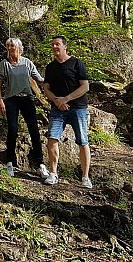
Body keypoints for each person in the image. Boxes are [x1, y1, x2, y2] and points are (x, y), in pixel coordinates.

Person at [42, 36, 92, 188]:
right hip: (57, 109)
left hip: (78, 108)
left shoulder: (77, 63)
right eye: (52, 45)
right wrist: (58, 101)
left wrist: (67, 99)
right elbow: (46, 90)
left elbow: (85, 87)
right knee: (52, 138)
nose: (54, 47)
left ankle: (85, 177)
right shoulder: (50, 67)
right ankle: (53, 173)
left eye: (57, 44)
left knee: (83, 142)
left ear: (65, 46)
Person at [0, 38, 49, 178]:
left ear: (19, 47)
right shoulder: (5, 64)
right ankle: (9, 163)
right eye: (8, 46)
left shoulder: (27, 63)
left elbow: (40, 80)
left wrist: (54, 81)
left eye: (12, 45)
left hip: (26, 98)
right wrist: (0, 101)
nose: (9, 48)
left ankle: (41, 165)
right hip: (11, 100)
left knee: (34, 130)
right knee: (13, 128)